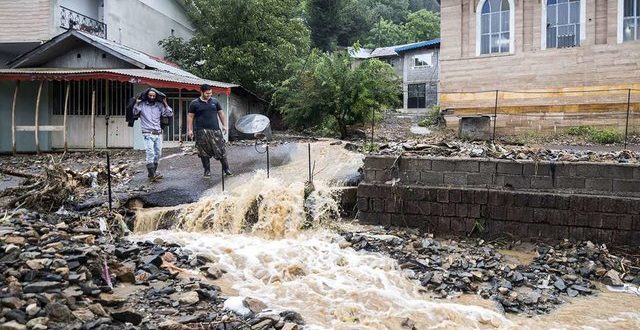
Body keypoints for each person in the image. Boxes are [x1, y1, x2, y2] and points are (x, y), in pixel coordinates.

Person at [188, 84, 232, 178]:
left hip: (215, 130)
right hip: (200, 131)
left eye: (211, 93)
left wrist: (225, 125)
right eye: (207, 93)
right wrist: (190, 130)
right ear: (202, 92)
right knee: (203, 152)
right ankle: (207, 171)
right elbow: (190, 116)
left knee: (221, 149)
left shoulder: (215, 102)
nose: (209, 95)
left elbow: (221, 113)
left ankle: (226, 169)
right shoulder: (194, 103)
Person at [133, 88, 173, 180]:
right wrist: (137, 103)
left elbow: (169, 114)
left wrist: (165, 103)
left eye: (153, 96)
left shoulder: (159, 105)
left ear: (156, 97)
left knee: (158, 154)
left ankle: (153, 172)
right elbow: (135, 112)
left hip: (158, 133)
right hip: (147, 133)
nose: (151, 97)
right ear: (147, 95)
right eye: (150, 95)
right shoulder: (142, 105)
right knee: (150, 153)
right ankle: (152, 175)